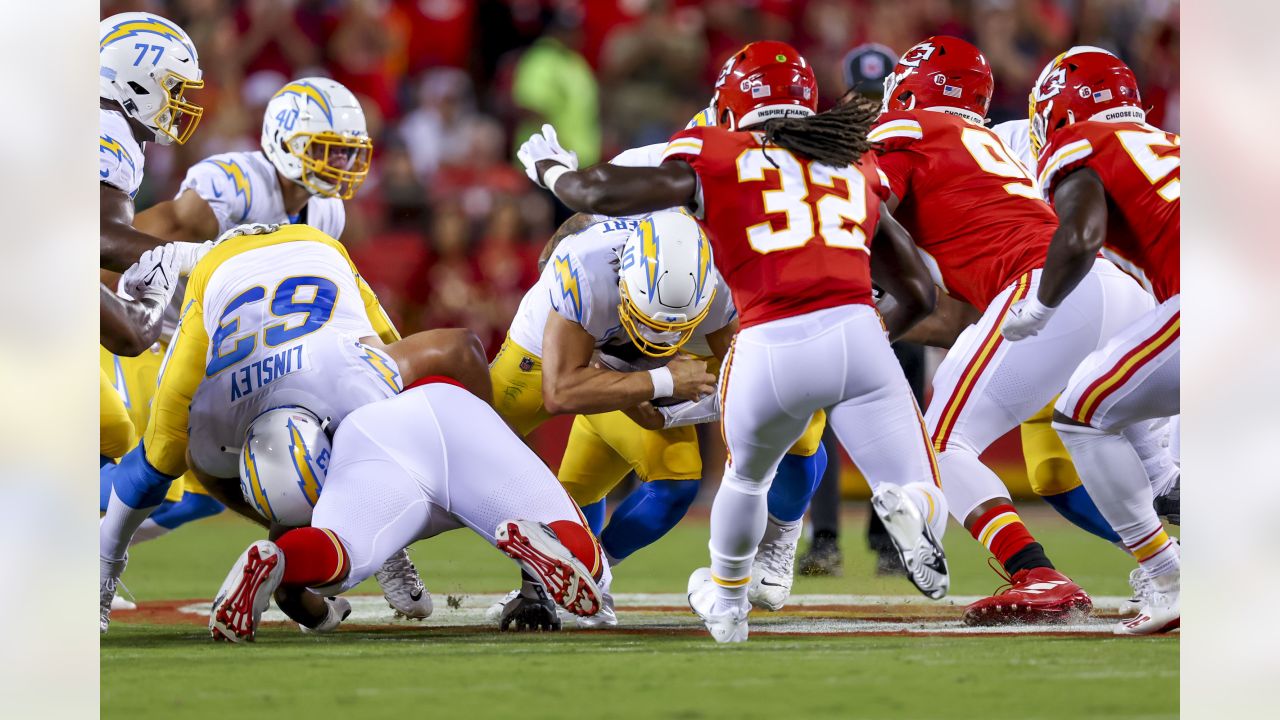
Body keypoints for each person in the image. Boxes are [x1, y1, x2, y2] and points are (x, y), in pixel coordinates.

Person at [519, 40, 949, 643]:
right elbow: (921, 294)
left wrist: (551, 170)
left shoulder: (716, 152)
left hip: (768, 337)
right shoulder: (853, 160)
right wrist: (871, 336)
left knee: (746, 477)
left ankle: (727, 602)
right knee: (916, 479)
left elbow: (592, 195)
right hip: (856, 330)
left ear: (729, 106)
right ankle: (918, 513)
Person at [868, 36, 1171, 626]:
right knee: (1159, 475)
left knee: (937, 447)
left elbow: (863, 208)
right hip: (1117, 290)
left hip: (1048, 289)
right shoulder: (993, 145)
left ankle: (1034, 574)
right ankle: (1186, 572)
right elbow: (957, 311)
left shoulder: (908, 133)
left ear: (905, 88)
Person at [98, 223, 487, 632]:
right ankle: (102, 575)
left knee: (162, 456)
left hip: (308, 257)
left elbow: (459, 349)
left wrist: (480, 458)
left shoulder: (359, 390)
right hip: (229, 282)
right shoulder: (216, 424)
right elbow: (463, 348)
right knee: (165, 454)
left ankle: (379, 541)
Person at [490, 209, 828, 627]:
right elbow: (561, 391)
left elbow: (743, 382)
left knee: (679, 478)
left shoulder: (720, 280)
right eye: (648, 322)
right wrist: (662, 380)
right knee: (467, 447)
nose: (660, 339)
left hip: (631, 374)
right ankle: (396, 541)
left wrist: (669, 406)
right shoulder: (583, 267)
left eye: (676, 328)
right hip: (547, 361)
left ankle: (589, 575)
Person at [209, 380, 608, 642]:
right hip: (438, 410)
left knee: (338, 557)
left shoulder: (292, 497)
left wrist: (327, 615)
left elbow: (296, 601)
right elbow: (455, 347)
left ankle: (281, 558)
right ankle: (552, 543)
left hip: (371, 453)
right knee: (592, 566)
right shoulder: (329, 378)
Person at [1010, 47, 1181, 635]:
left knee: (1082, 413)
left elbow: (1081, 235)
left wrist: (1040, 306)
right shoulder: (1171, 143)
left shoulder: (1080, 142)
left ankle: (1170, 579)